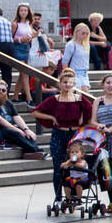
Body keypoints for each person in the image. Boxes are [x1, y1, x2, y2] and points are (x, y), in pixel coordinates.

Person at [31, 68, 94, 205]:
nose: (68, 85)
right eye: (65, 82)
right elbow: (36, 112)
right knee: (58, 166)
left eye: (70, 82)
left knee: (75, 164)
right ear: (60, 83)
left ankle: (74, 196)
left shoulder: (80, 99)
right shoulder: (54, 99)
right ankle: (59, 198)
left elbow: (91, 116)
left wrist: (82, 127)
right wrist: (51, 117)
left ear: (74, 83)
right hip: (58, 134)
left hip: (74, 136)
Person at [91, 75, 112, 214]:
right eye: (108, 83)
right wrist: (99, 125)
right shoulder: (97, 101)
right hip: (104, 140)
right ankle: (111, 202)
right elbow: (92, 120)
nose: (110, 85)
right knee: (107, 172)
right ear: (103, 85)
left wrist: (111, 129)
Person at [0, 81, 41, 158]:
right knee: (16, 133)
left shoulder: (8, 102)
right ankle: (37, 151)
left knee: (28, 134)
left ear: (6, 91)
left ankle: (30, 152)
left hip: (9, 128)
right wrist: (18, 130)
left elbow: (16, 117)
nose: (1, 92)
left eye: (3, 90)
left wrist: (26, 129)